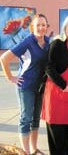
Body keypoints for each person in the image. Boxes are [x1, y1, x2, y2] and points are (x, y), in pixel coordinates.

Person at [0, 14, 50, 155]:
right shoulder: (27, 42)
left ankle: (34, 149)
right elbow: (4, 58)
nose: (41, 28)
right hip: (25, 87)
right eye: (38, 25)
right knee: (26, 119)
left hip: (40, 87)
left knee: (35, 119)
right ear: (32, 27)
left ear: (47, 26)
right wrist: (11, 77)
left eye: (43, 25)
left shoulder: (48, 42)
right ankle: (25, 152)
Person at [41, 15, 68, 155]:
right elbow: (48, 67)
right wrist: (64, 85)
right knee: (58, 143)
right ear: (65, 29)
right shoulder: (58, 44)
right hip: (57, 99)